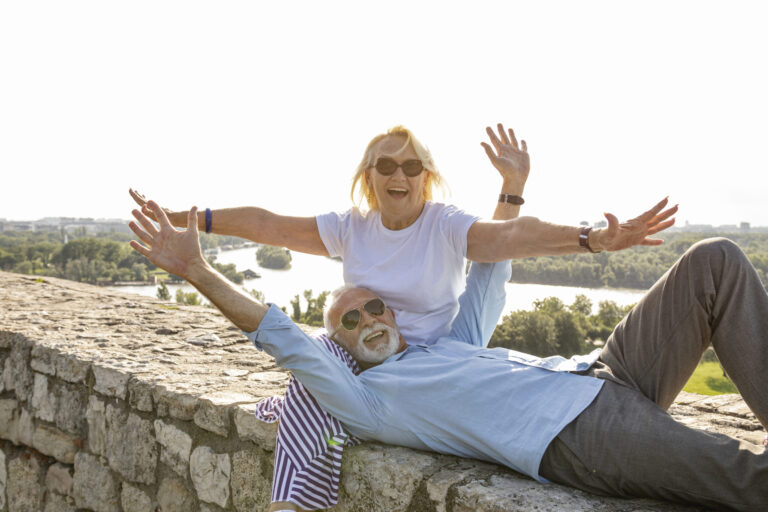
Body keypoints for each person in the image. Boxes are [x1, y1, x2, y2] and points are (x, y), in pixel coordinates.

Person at [125, 197, 768, 511]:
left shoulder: (449, 346)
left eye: (375, 306)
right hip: (579, 435)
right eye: (349, 320)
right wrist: (196, 270)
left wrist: (512, 187)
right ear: (341, 345)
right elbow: (282, 337)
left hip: (601, 374)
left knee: (713, 261)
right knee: (747, 478)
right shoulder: (370, 401)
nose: (369, 319)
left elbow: (490, 265)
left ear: (393, 313)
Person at [132, 124, 534, 509]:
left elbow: (498, 250)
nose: (399, 175)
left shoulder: (443, 222)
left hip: (443, 358)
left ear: (425, 176)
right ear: (369, 175)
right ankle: (286, 506)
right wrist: (186, 219)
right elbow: (268, 225)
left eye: (411, 166)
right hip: (371, 362)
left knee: (309, 385)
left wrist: (513, 185)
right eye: (387, 165)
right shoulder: (353, 227)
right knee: (316, 356)